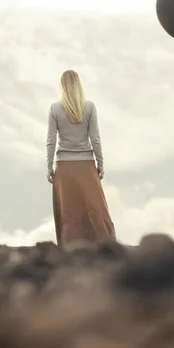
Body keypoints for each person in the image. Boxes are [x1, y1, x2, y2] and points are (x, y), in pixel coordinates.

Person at [46, 70, 116, 246]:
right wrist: (100, 165)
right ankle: (106, 249)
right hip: (86, 166)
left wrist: (49, 167)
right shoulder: (89, 107)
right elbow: (95, 138)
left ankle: (70, 250)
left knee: (69, 212)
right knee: (97, 209)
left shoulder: (55, 108)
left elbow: (51, 140)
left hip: (64, 167)